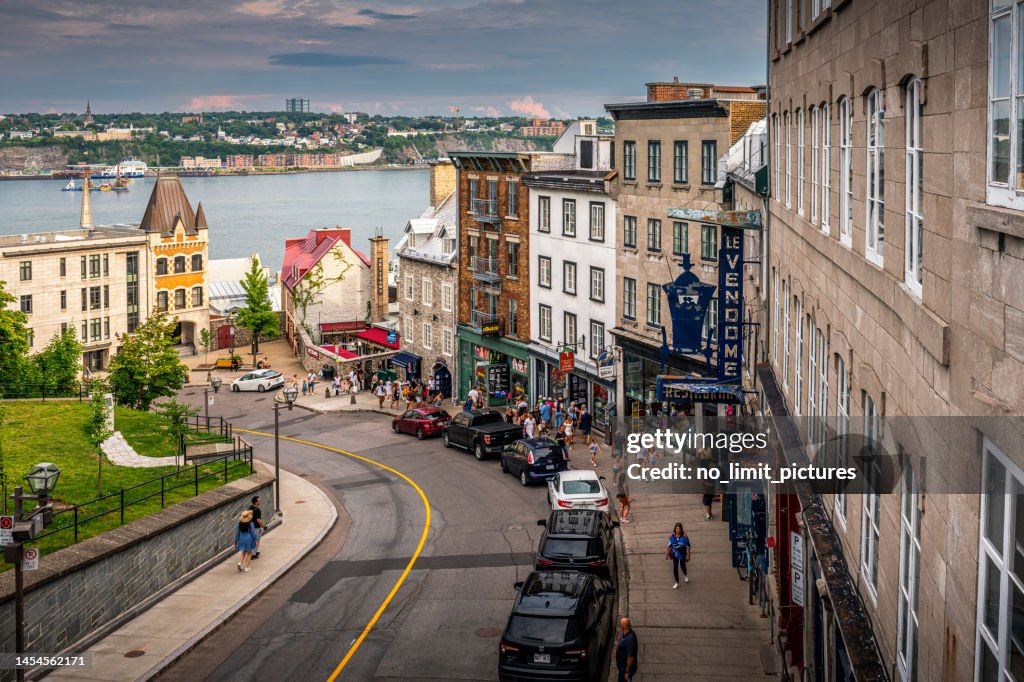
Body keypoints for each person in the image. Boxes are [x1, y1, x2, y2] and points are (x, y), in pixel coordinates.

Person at [666, 522, 691, 587]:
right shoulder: (672, 536)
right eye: (677, 528)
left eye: (679, 529)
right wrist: (667, 554)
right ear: (675, 529)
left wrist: (688, 556)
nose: (678, 530)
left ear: (681, 529)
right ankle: (677, 582)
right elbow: (669, 546)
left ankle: (685, 574)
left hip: (683, 554)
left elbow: (688, 546)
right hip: (675, 554)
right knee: (675, 568)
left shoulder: (684, 536)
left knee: (683, 567)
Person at [615, 617, 638, 682]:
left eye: (620, 625)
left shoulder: (629, 640)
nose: (619, 626)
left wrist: (627, 671)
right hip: (622, 668)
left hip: (625, 671)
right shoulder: (628, 633)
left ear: (623, 627)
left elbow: (630, 657)